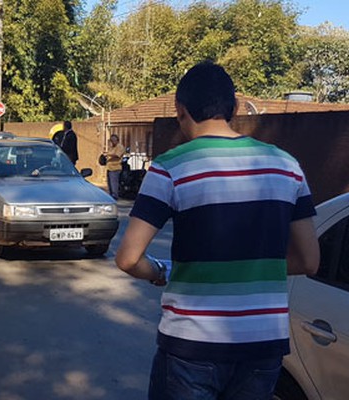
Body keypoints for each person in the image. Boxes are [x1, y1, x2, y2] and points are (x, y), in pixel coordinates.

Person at [115, 61, 320, 400]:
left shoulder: (170, 167)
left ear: (180, 110)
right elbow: (309, 261)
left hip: (192, 345)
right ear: (234, 108)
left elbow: (127, 258)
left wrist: (163, 270)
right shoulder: (288, 166)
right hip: (263, 346)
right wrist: (253, 267)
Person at [103, 134, 125, 200]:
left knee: (114, 183)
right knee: (109, 184)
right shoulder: (112, 147)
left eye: (113, 140)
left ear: (117, 140)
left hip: (115, 167)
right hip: (109, 167)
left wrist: (108, 154)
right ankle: (110, 195)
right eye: (111, 140)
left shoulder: (120, 147)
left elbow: (117, 155)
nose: (112, 142)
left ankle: (115, 196)